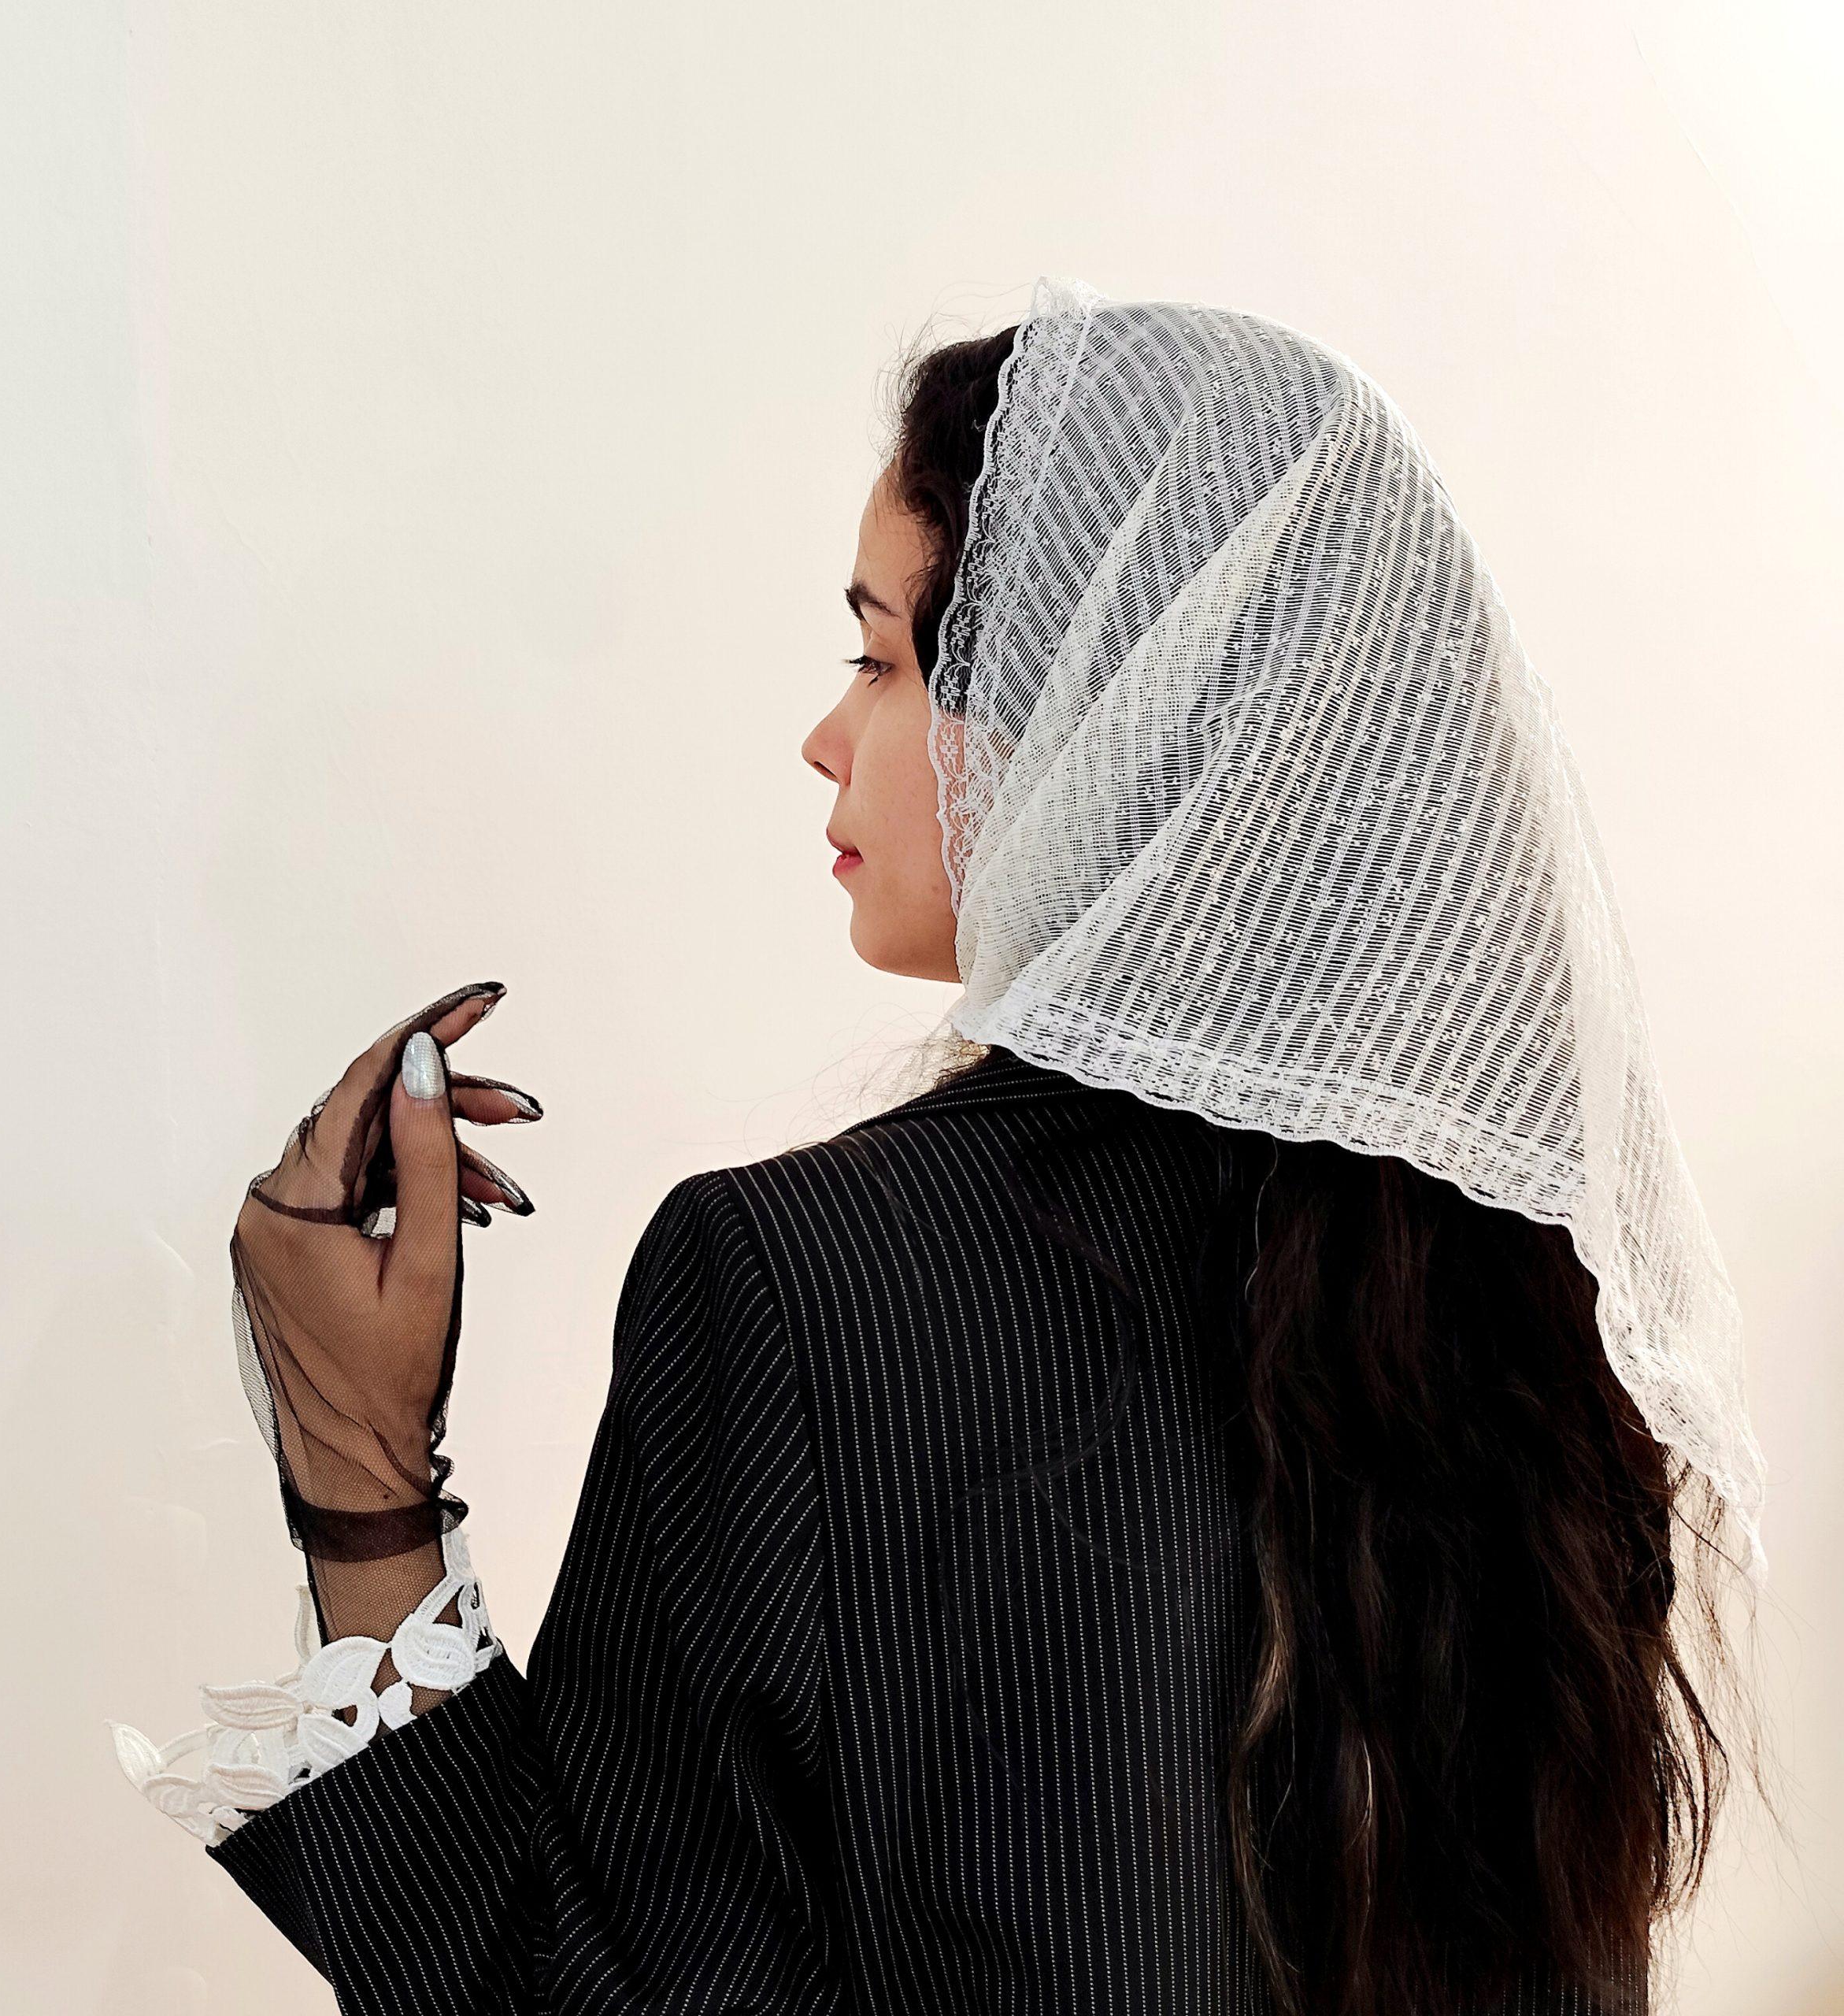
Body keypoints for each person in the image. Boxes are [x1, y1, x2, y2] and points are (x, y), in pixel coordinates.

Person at [111, 280, 1765, 2015]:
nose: (827, 734)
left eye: (883, 658)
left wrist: (360, 1472)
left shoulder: (792, 1286)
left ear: (1104, 712)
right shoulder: (1522, 1310)